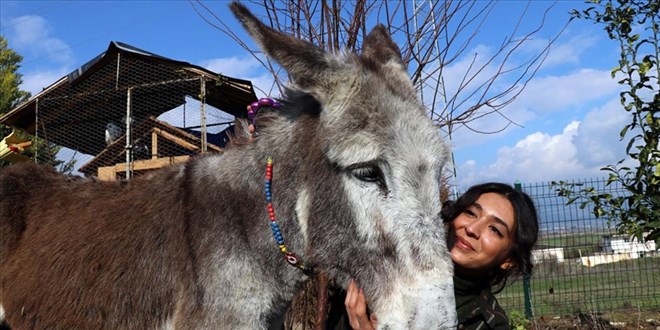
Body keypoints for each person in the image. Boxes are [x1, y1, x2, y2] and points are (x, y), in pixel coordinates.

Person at [341, 182, 539, 330]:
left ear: (509, 260)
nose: (471, 229)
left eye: (494, 229)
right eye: (471, 212)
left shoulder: (488, 324)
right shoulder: (386, 272)